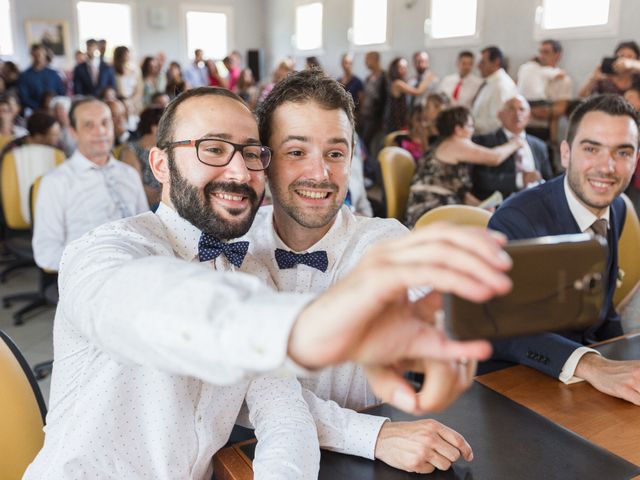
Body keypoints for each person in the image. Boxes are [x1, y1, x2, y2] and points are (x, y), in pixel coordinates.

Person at [24, 86, 512, 478]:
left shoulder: (247, 270)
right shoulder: (103, 251)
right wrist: (304, 326)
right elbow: (139, 303)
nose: (238, 170)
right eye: (213, 149)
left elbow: (283, 414)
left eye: (249, 153)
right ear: (159, 164)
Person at [250, 69, 477, 474]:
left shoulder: (384, 241)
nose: (320, 174)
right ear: (264, 161)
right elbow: (241, 399)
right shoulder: (236, 248)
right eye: (297, 152)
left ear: (352, 159)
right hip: (253, 453)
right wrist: (370, 434)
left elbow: (447, 317)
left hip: (376, 462)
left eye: (335, 154)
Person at [488, 94, 640, 406]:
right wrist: (594, 365)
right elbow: (499, 327)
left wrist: (622, 351)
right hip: (514, 385)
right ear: (566, 153)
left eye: (622, 152)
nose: (607, 167)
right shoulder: (517, 221)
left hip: (585, 380)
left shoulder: (617, 207)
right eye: (591, 148)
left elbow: (601, 303)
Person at [32, 98, 148, 272]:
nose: (100, 131)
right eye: (88, 125)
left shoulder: (129, 174)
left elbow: (146, 229)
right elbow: (46, 253)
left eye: (105, 123)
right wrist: (97, 264)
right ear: (73, 132)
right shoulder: (56, 182)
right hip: (90, 275)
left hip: (141, 270)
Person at [405, 106, 522, 227]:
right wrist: (515, 143)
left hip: (426, 209)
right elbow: (494, 157)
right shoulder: (456, 143)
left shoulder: (440, 144)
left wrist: (481, 206)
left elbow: (458, 192)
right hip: (430, 211)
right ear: (458, 129)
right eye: (470, 126)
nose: (473, 131)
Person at [472, 95, 554, 200]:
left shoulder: (539, 145)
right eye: (511, 109)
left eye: (522, 109)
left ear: (529, 116)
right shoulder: (485, 141)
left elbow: (549, 179)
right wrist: (520, 179)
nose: (517, 113)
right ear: (499, 115)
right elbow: (481, 180)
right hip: (503, 205)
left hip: (536, 203)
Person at [516, 39, 572, 141]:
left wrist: (527, 110)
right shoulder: (530, 71)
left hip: (543, 130)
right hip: (521, 127)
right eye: (540, 52)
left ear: (557, 55)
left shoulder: (564, 80)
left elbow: (560, 109)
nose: (541, 56)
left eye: (546, 52)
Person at [120, 106, 164, 208]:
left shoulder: (165, 148)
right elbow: (137, 188)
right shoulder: (131, 149)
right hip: (149, 206)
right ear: (154, 128)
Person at [472, 46, 518, 135]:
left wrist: (468, 125)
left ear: (496, 62)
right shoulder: (490, 82)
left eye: (482, 62)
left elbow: (497, 122)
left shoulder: (501, 85)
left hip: (490, 141)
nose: (478, 66)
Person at [384, 56, 436, 133]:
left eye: (405, 67)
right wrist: (428, 79)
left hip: (401, 119)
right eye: (401, 67)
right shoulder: (397, 83)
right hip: (395, 120)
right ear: (395, 69)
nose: (405, 70)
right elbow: (418, 92)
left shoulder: (402, 81)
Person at [17, 44, 65, 114]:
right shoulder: (24, 76)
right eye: (36, 54)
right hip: (35, 111)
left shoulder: (54, 74)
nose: (39, 56)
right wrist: (40, 108)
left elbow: (61, 93)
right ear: (32, 55)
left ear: (45, 55)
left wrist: (54, 106)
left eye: (41, 53)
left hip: (54, 110)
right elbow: (24, 98)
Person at [113, 45, 143, 114]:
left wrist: (130, 101)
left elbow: (139, 90)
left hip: (134, 104)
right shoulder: (112, 72)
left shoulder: (136, 71)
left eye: (128, 54)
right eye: (125, 54)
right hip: (119, 104)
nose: (127, 56)